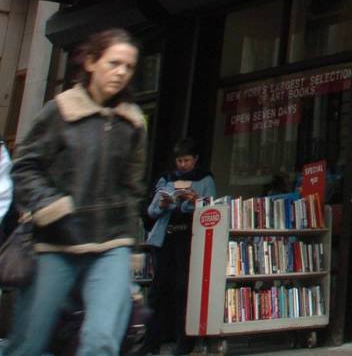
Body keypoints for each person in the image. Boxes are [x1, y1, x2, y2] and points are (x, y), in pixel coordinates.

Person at [7, 28, 147, 356]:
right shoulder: (60, 111)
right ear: (90, 62)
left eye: (128, 67)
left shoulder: (133, 122)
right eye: (113, 63)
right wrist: (49, 205)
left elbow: (133, 188)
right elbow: (24, 167)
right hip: (56, 241)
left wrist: (131, 245)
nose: (121, 73)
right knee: (29, 342)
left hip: (111, 244)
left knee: (102, 341)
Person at [141, 139, 215, 354]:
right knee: (159, 289)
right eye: (180, 161)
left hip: (188, 237)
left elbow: (212, 209)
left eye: (187, 160)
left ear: (195, 160)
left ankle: (184, 341)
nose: (183, 165)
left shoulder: (204, 179)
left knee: (183, 288)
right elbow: (152, 212)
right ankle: (152, 340)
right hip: (166, 237)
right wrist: (162, 203)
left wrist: (195, 201)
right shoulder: (167, 178)